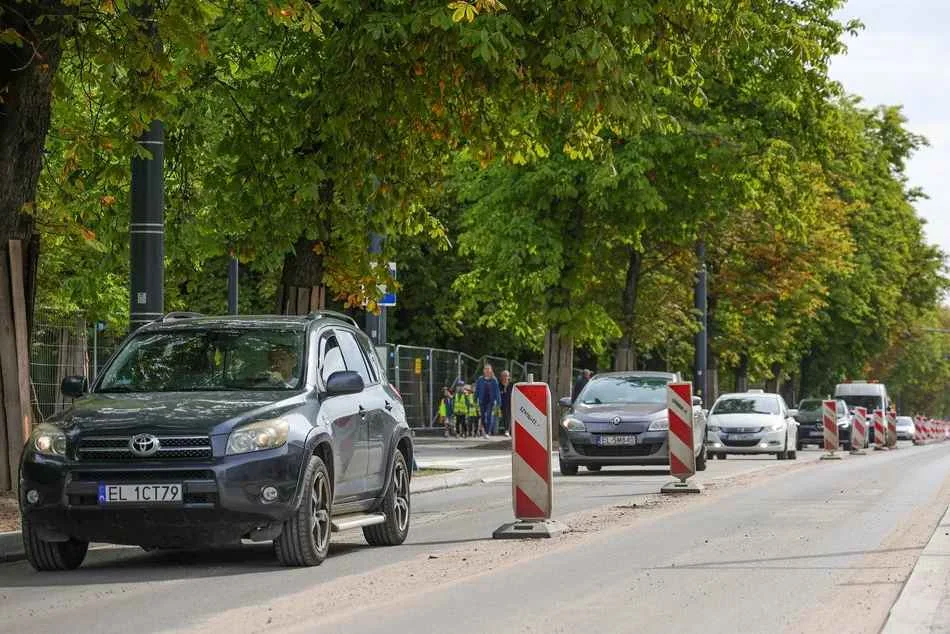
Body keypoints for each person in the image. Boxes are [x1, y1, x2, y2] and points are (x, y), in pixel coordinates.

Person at [475, 364, 502, 437]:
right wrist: (475, 398)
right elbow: (477, 389)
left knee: (489, 415)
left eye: (488, 369)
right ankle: (483, 429)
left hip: (490, 401)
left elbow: (497, 391)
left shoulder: (494, 380)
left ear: (491, 370)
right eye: (485, 369)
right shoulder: (480, 379)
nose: (487, 370)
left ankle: (487, 432)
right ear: (483, 371)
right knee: (483, 416)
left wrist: (499, 402)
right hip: (482, 400)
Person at [499, 370, 514, 437]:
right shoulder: (498, 385)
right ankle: (507, 430)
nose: (505, 377)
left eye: (506, 376)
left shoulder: (512, 385)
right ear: (501, 377)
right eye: (503, 376)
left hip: (511, 403)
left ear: (509, 377)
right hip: (501, 404)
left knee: (509, 416)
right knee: (505, 417)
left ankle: (508, 430)